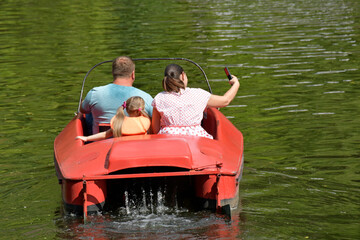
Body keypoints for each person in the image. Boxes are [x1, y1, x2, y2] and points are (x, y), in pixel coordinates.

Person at [151, 64, 240, 139]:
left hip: (168, 139)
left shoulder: (159, 98)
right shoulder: (198, 94)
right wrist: (236, 84)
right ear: (183, 75)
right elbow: (225, 101)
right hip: (196, 138)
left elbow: (155, 129)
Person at [80, 56, 153, 134]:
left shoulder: (94, 93)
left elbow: (82, 110)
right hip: (134, 144)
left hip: (101, 143)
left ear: (113, 73)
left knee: (89, 111)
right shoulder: (146, 98)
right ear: (133, 74)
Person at [76, 96, 150, 142]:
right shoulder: (145, 122)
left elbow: (105, 134)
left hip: (121, 151)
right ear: (140, 110)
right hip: (139, 151)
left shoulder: (119, 122)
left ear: (126, 109)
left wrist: (86, 138)